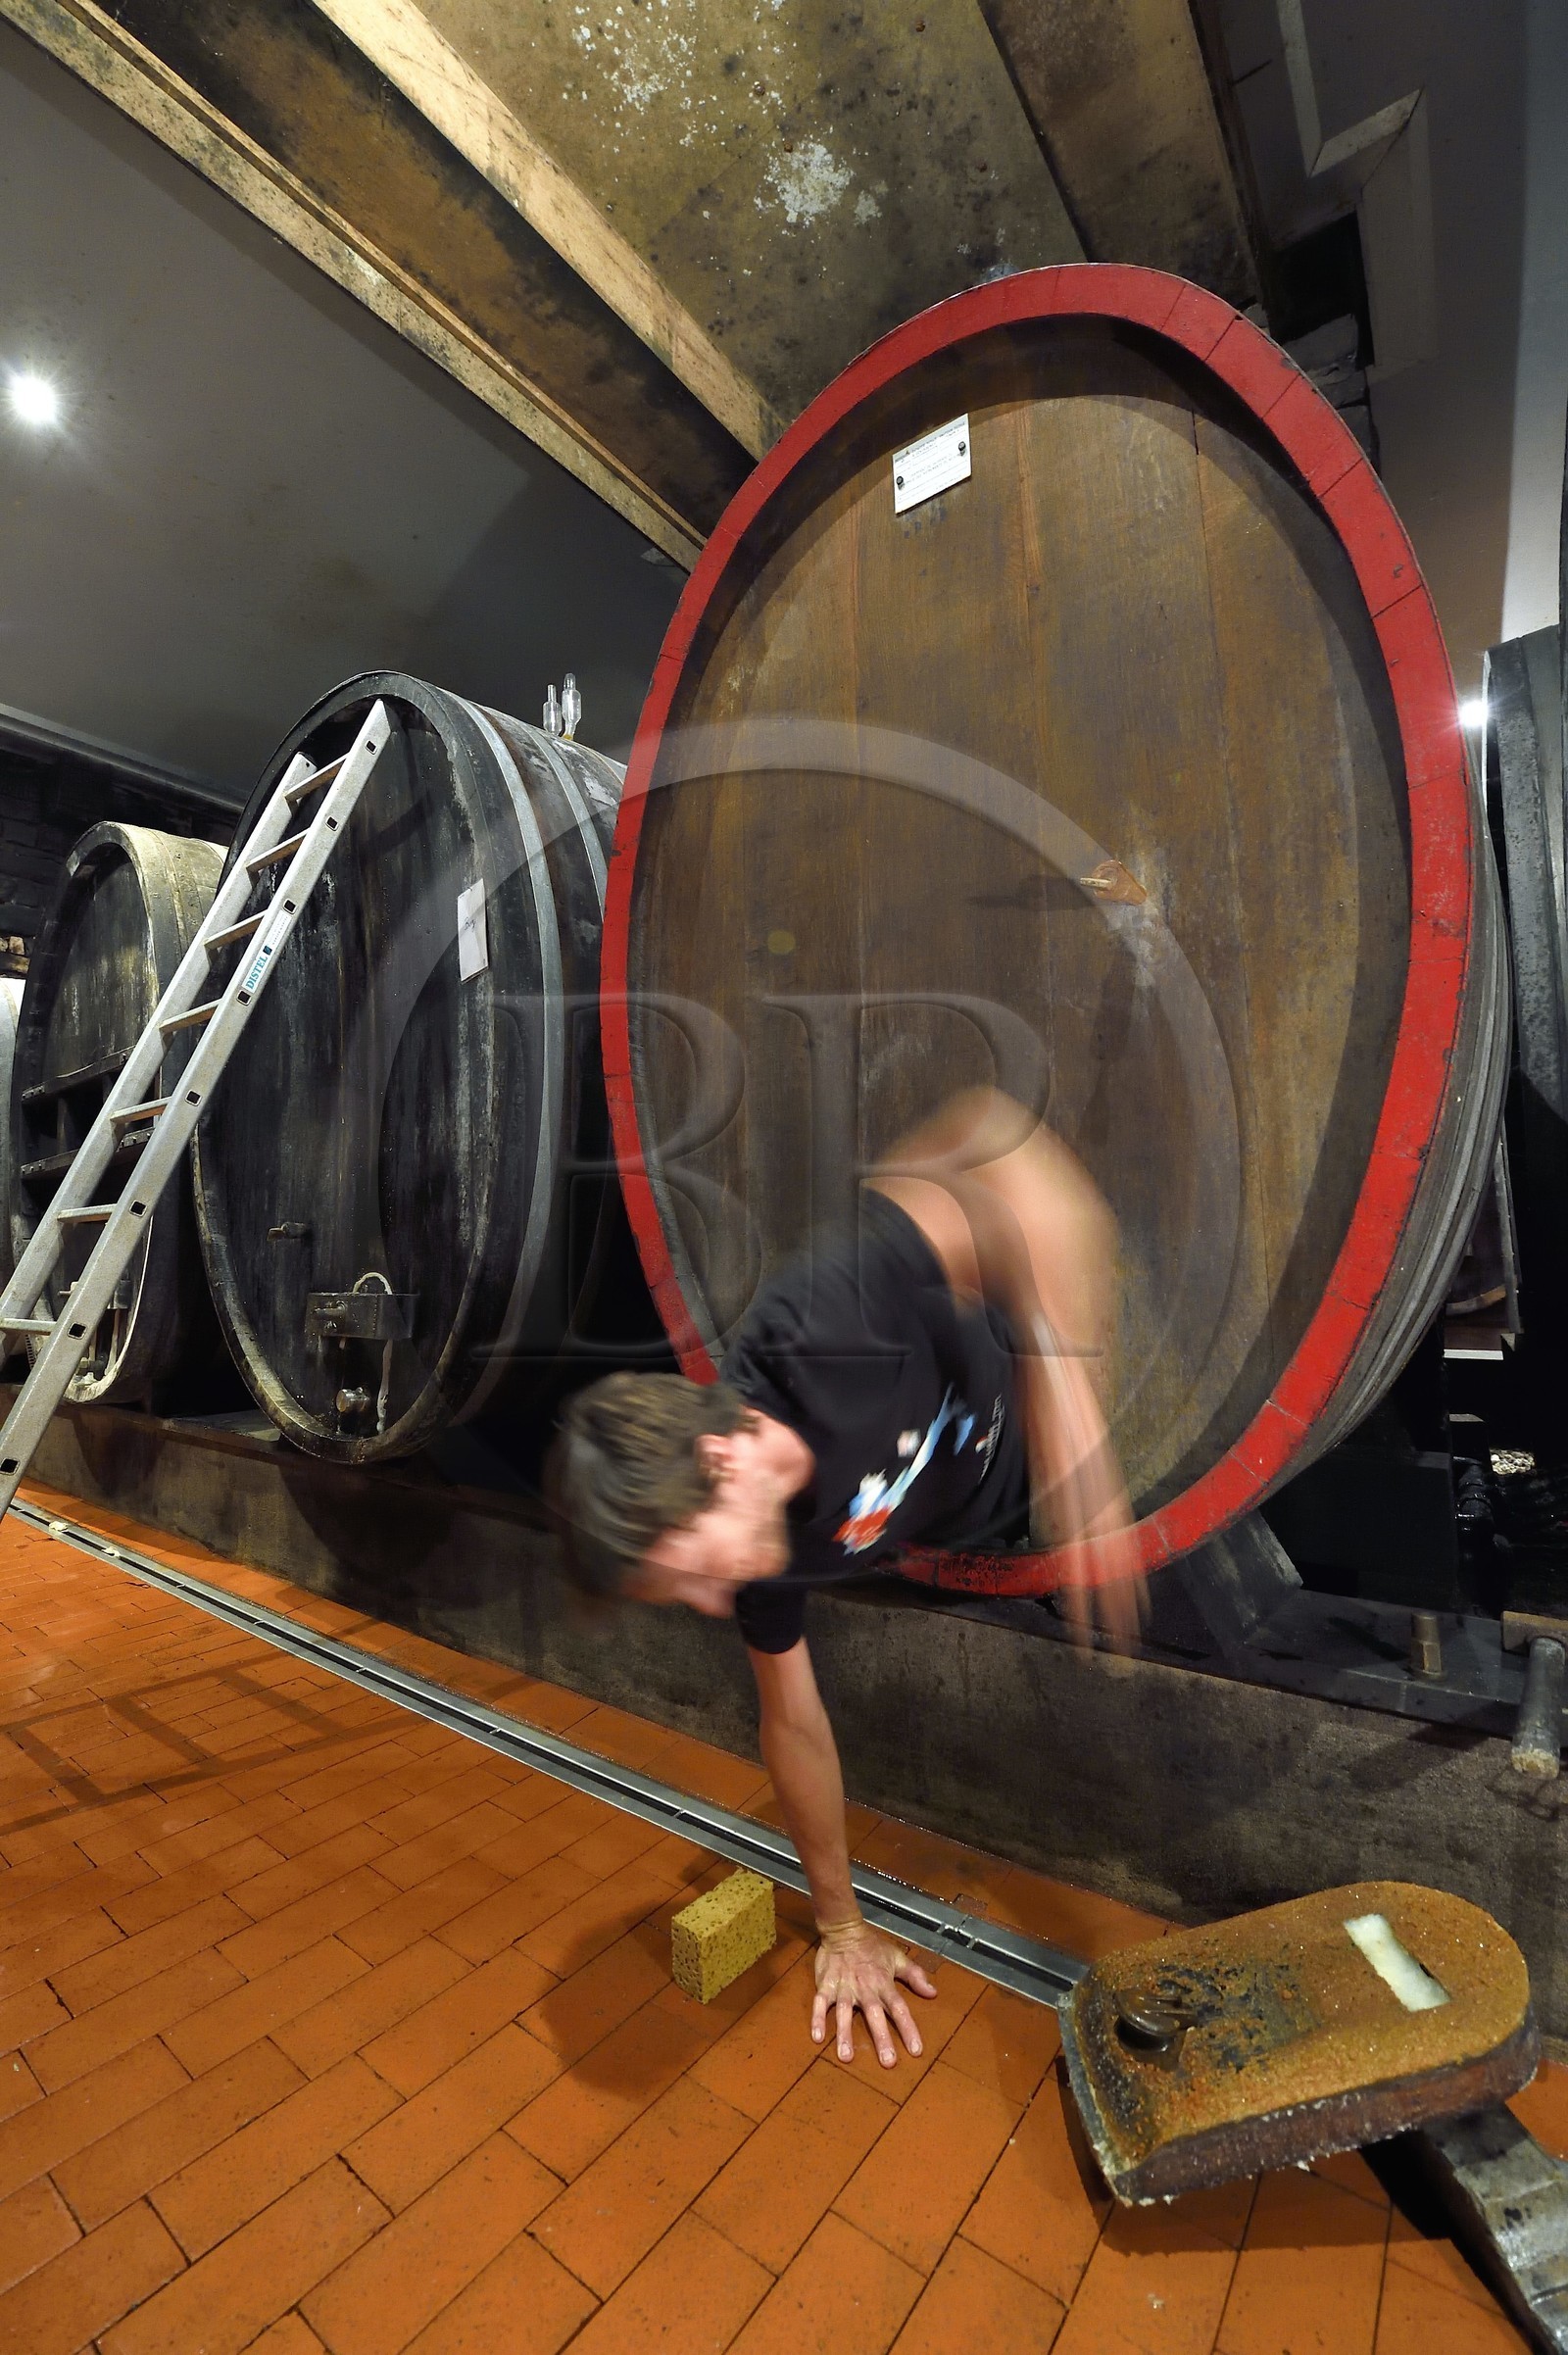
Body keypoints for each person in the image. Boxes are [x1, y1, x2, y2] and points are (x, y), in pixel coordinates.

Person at [547, 1090, 1142, 2068]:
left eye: (690, 1576)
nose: (709, 1603)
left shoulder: (824, 1320)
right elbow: (793, 1723)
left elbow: (992, 1139)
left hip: (1045, 1427)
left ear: (720, 1467)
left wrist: (1068, 1383)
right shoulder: (764, 1558)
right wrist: (840, 1927)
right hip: (980, 1522)